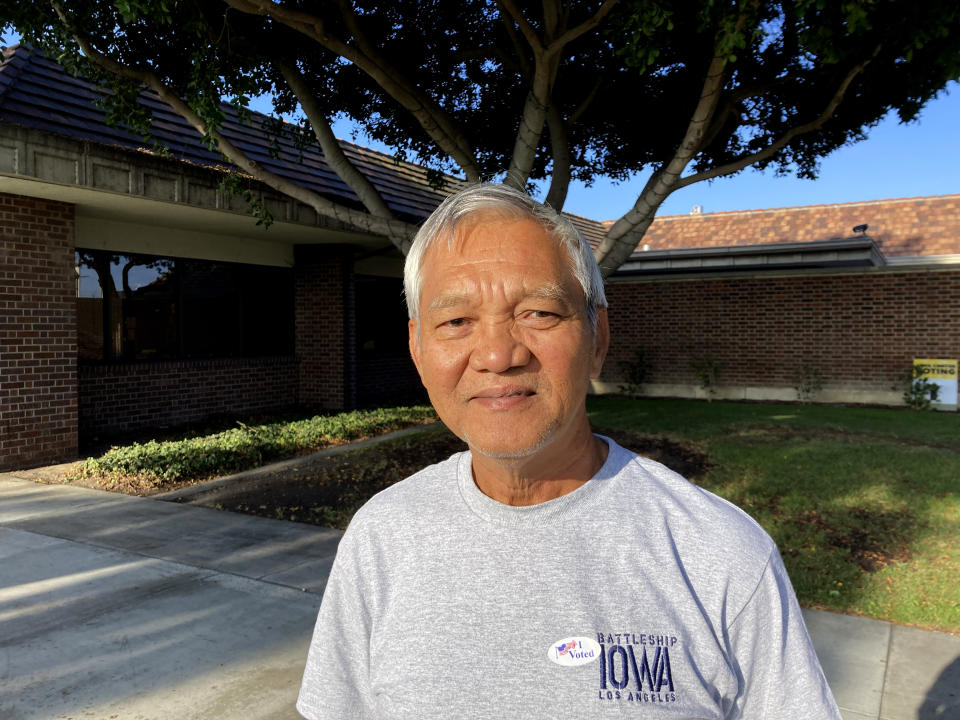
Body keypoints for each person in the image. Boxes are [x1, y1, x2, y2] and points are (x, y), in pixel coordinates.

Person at [297, 183, 840, 719]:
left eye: (538, 313)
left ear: (597, 337)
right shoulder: (381, 537)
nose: (496, 354)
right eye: (456, 321)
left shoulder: (722, 557)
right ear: (418, 349)